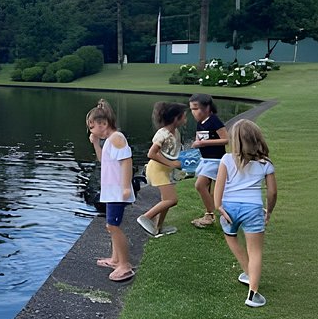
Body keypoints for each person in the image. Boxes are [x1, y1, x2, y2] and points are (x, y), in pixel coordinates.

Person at [213, 119, 277, 307]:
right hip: (253, 209)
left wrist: (218, 206)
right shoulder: (265, 163)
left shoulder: (226, 159)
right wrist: (269, 211)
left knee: (231, 237)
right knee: (255, 251)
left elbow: (219, 186)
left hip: (229, 208)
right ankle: (253, 294)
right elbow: (272, 193)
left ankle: (248, 272)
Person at [87, 99, 136, 282]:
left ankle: (125, 265)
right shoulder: (109, 140)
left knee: (112, 226)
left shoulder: (117, 138)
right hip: (111, 190)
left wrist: (125, 187)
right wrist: (96, 144)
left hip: (117, 190)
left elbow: (126, 161)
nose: (90, 130)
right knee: (111, 226)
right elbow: (104, 161)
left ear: (103, 124)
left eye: (92, 126)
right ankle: (115, 259)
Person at [137, 102, 188, 236]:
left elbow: (173, 152)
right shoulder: (163, 134)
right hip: (157, 170)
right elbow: (151, 154)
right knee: (171, 200)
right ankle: (146, 217)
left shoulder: (175, 132)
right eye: (184, 117)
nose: (186, 119)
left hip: (165, 170)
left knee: (166, 200)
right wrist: (171, 164)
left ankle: (157, 227)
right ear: (176, 118)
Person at [189, 93, 229, 228]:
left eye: (196, 108)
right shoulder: (200, 123)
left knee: (200, 185)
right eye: (191, 109)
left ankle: (211, 213)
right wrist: (196, 144)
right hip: (205, 160)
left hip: (216, 160)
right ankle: (211, 214)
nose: (193, 112)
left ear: (207, 108)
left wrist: (205, 143)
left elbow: (226, 139)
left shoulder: (214, 121)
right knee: (211, 190)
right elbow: (199, 139)